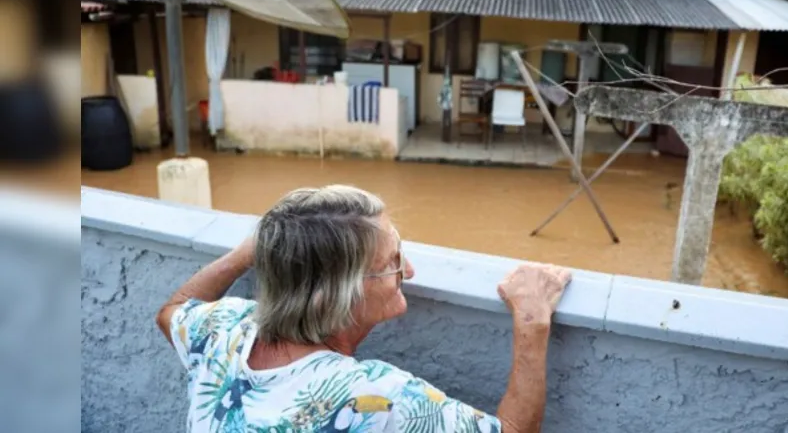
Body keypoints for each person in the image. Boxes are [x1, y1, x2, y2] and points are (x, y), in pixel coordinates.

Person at [156, 185, 572, 433]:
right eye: (391, 264)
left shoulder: (225, 331)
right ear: (335, 296)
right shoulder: (373, 397)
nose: (407, 269)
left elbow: (172, 310)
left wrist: (251, 250)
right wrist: (532, 320)